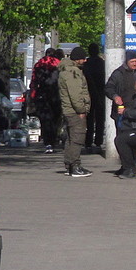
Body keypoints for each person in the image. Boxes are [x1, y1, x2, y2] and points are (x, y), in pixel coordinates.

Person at [57, 47, 93, 177]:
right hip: (74, 111)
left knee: (70, 138)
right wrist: (81, 110)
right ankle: (75, 166)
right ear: (77, 59)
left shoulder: (65, 70)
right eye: (83, 58)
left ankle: (70, 165)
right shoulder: (73, 72)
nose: (84, 60)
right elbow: (76, 94)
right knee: (77, 138)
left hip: (68, 110)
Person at [104, 52, 136, 133]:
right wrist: (115, 96)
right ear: (126, 62)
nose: (135, 64)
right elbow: (109, 87)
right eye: (132, 62)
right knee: (121, 136)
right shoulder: (119, 73)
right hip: (122, 109)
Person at [29, 48, 63, 151]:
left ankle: (47, 142)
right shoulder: (58, 64)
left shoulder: (38, 65)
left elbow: (34, 81)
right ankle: (53, 140)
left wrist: (33, 94)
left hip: (42, 95)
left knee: (45, 119)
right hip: (56, 95)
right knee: (55, 118)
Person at [82, 41, 107, 150]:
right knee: (100, 118)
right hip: (100, 93)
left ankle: (88, 141)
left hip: (89, 93)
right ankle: (98, 140)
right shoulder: (101, 63)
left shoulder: (86, 64)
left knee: (89, 118)